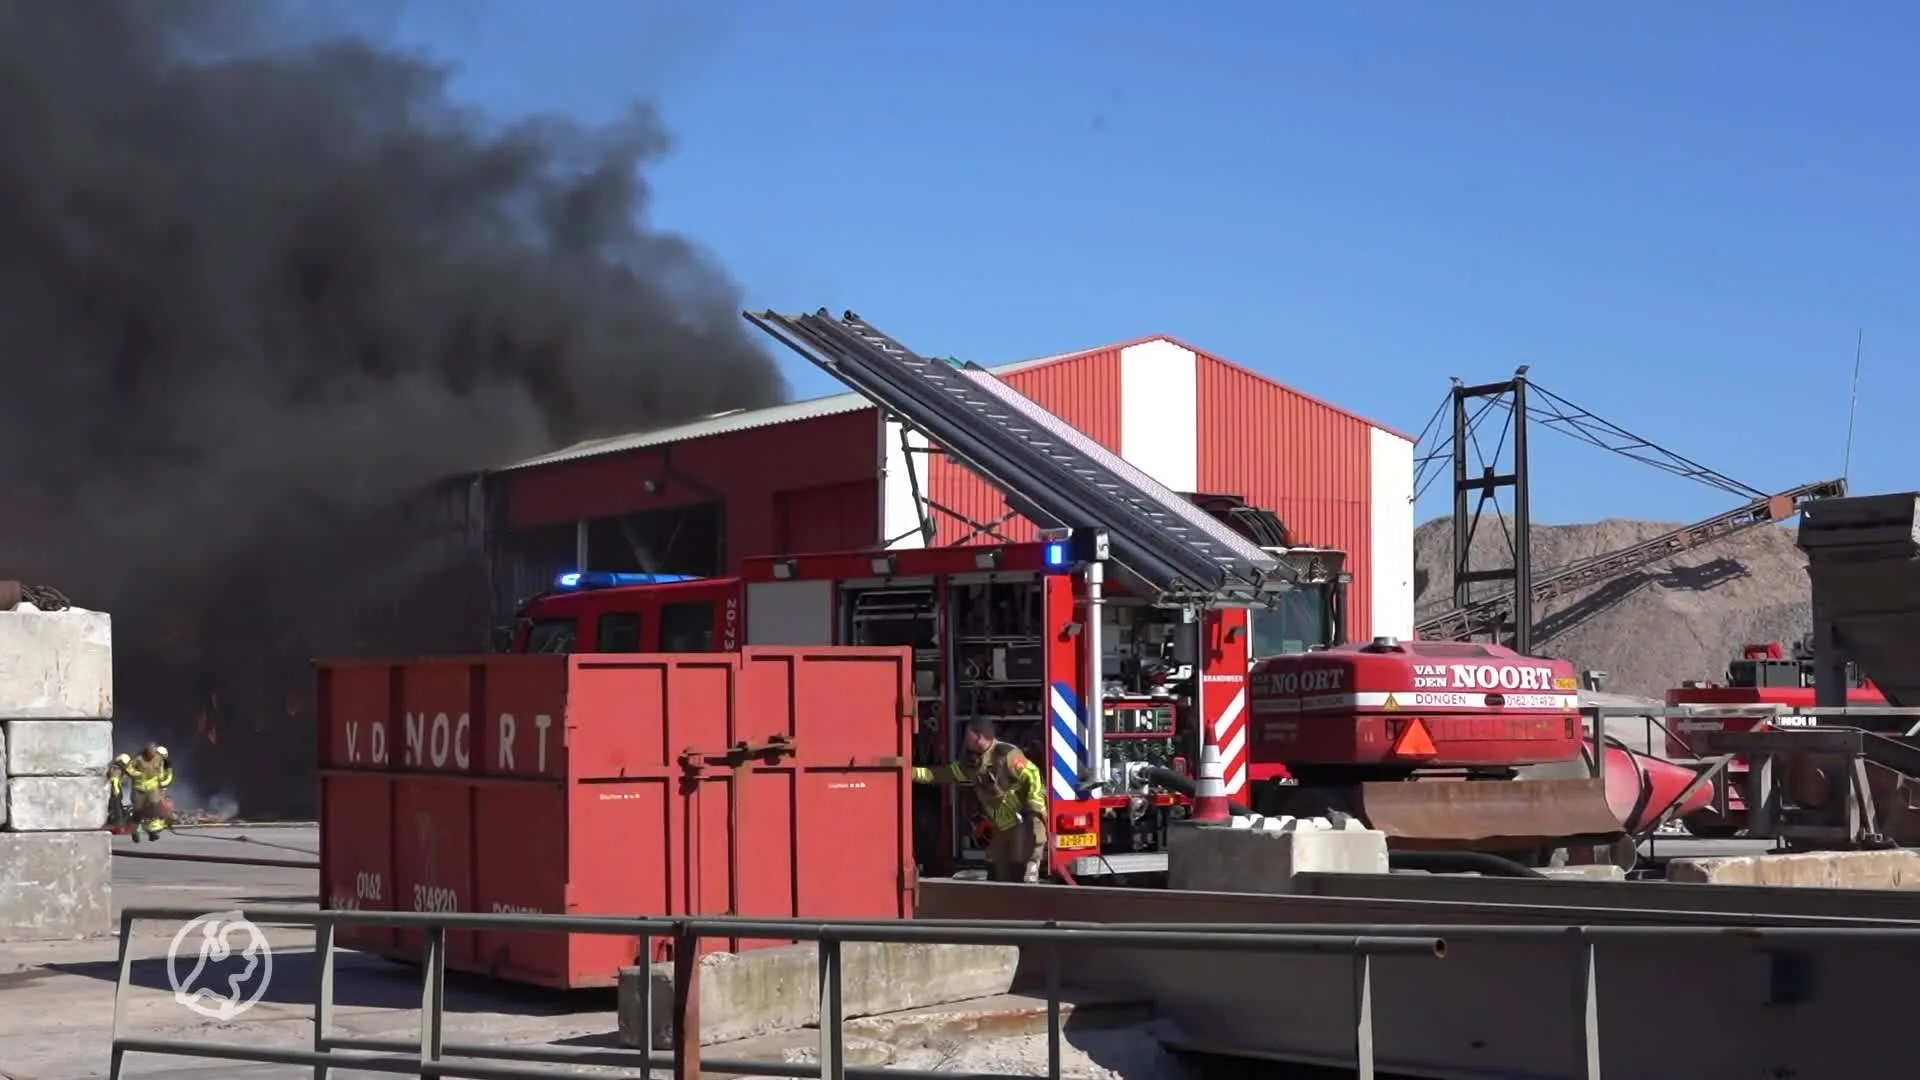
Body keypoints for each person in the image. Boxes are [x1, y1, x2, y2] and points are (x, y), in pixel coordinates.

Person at [913, 718, 1048, 883]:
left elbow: (1032, 773)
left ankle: (1030, 878)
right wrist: (910, 773)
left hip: (1024, 821)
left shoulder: (1006, 755)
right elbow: (940, 774)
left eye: (967, 735)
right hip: (1003, 824)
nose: (964, 740)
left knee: (1022, 867)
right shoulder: (972, 764)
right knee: (998, 871)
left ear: (978, 737)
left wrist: (1036, 804)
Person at [124, 744, 174, 842]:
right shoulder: (138, 759)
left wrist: (161, 780)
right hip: (139, 788)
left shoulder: (159, 759)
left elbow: (163, 770)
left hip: (152, 787)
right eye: (150, 754)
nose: (152, 757)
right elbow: (129, 768)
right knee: (138, 811)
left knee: (153, 808)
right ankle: (135, 832)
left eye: (154, 754)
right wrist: (137, 774)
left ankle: (152, 832)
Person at [106, 753, 131, 830]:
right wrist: (116, 791)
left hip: (115, 790)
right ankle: (117, 824)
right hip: (114, 791)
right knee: (116, 808)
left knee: (118, 807)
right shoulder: (116, 769)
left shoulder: (116, 768)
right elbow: (114, 781)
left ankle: (118, 823)